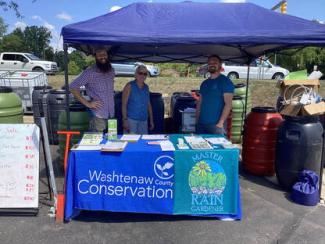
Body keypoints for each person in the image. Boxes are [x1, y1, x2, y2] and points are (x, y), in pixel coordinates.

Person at [69, 47, 115, 132]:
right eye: (99, 55)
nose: (102, 57)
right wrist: (88, 104)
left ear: (107, 55)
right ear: (95, 57)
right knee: (97, 142)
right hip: (98, 116)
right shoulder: (90, 72)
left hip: (111, 114)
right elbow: (72, 87)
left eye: (104, 54)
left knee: (110, 142)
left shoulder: (111, 71)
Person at [196, 55, 234, 134]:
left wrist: (220, 123)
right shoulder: (204, 83)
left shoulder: (225, 82)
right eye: (209, 63)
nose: (212, 64)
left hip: (216, 126)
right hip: (201, 124)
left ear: (220, 64)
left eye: (215, 62)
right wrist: (197, 120)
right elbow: (200, 102)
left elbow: (228, 104)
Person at [122, 65, 154, 134]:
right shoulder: (129, 86)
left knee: (143, 142)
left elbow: (148, 105)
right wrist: (125, 120)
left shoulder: (146, 87)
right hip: (131, 121)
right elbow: (124, 104)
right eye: (140, 73)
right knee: (130, 143)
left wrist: (151, 121)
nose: (142, 75)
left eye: (145, 74)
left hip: (143, 121)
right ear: (136, 74)